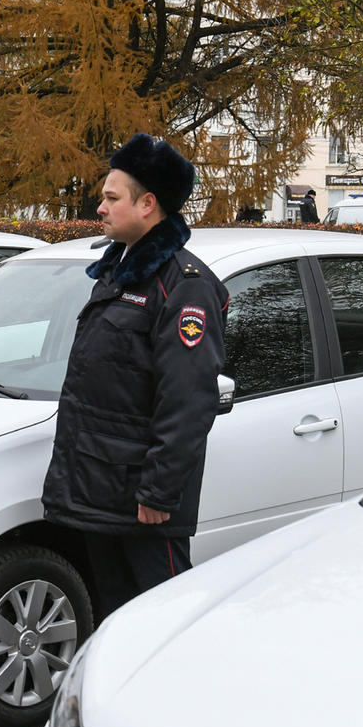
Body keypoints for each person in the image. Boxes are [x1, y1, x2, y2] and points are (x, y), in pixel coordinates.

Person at [42, 133, 230, 623]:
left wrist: (158, 492)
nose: (99, 207)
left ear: (148, 205)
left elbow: (188, 400)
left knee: (161, 622)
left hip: (143, 502)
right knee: (114, 616)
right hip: (102, 488)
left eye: (111, 198)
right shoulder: (119, 271)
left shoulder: (185, 287)